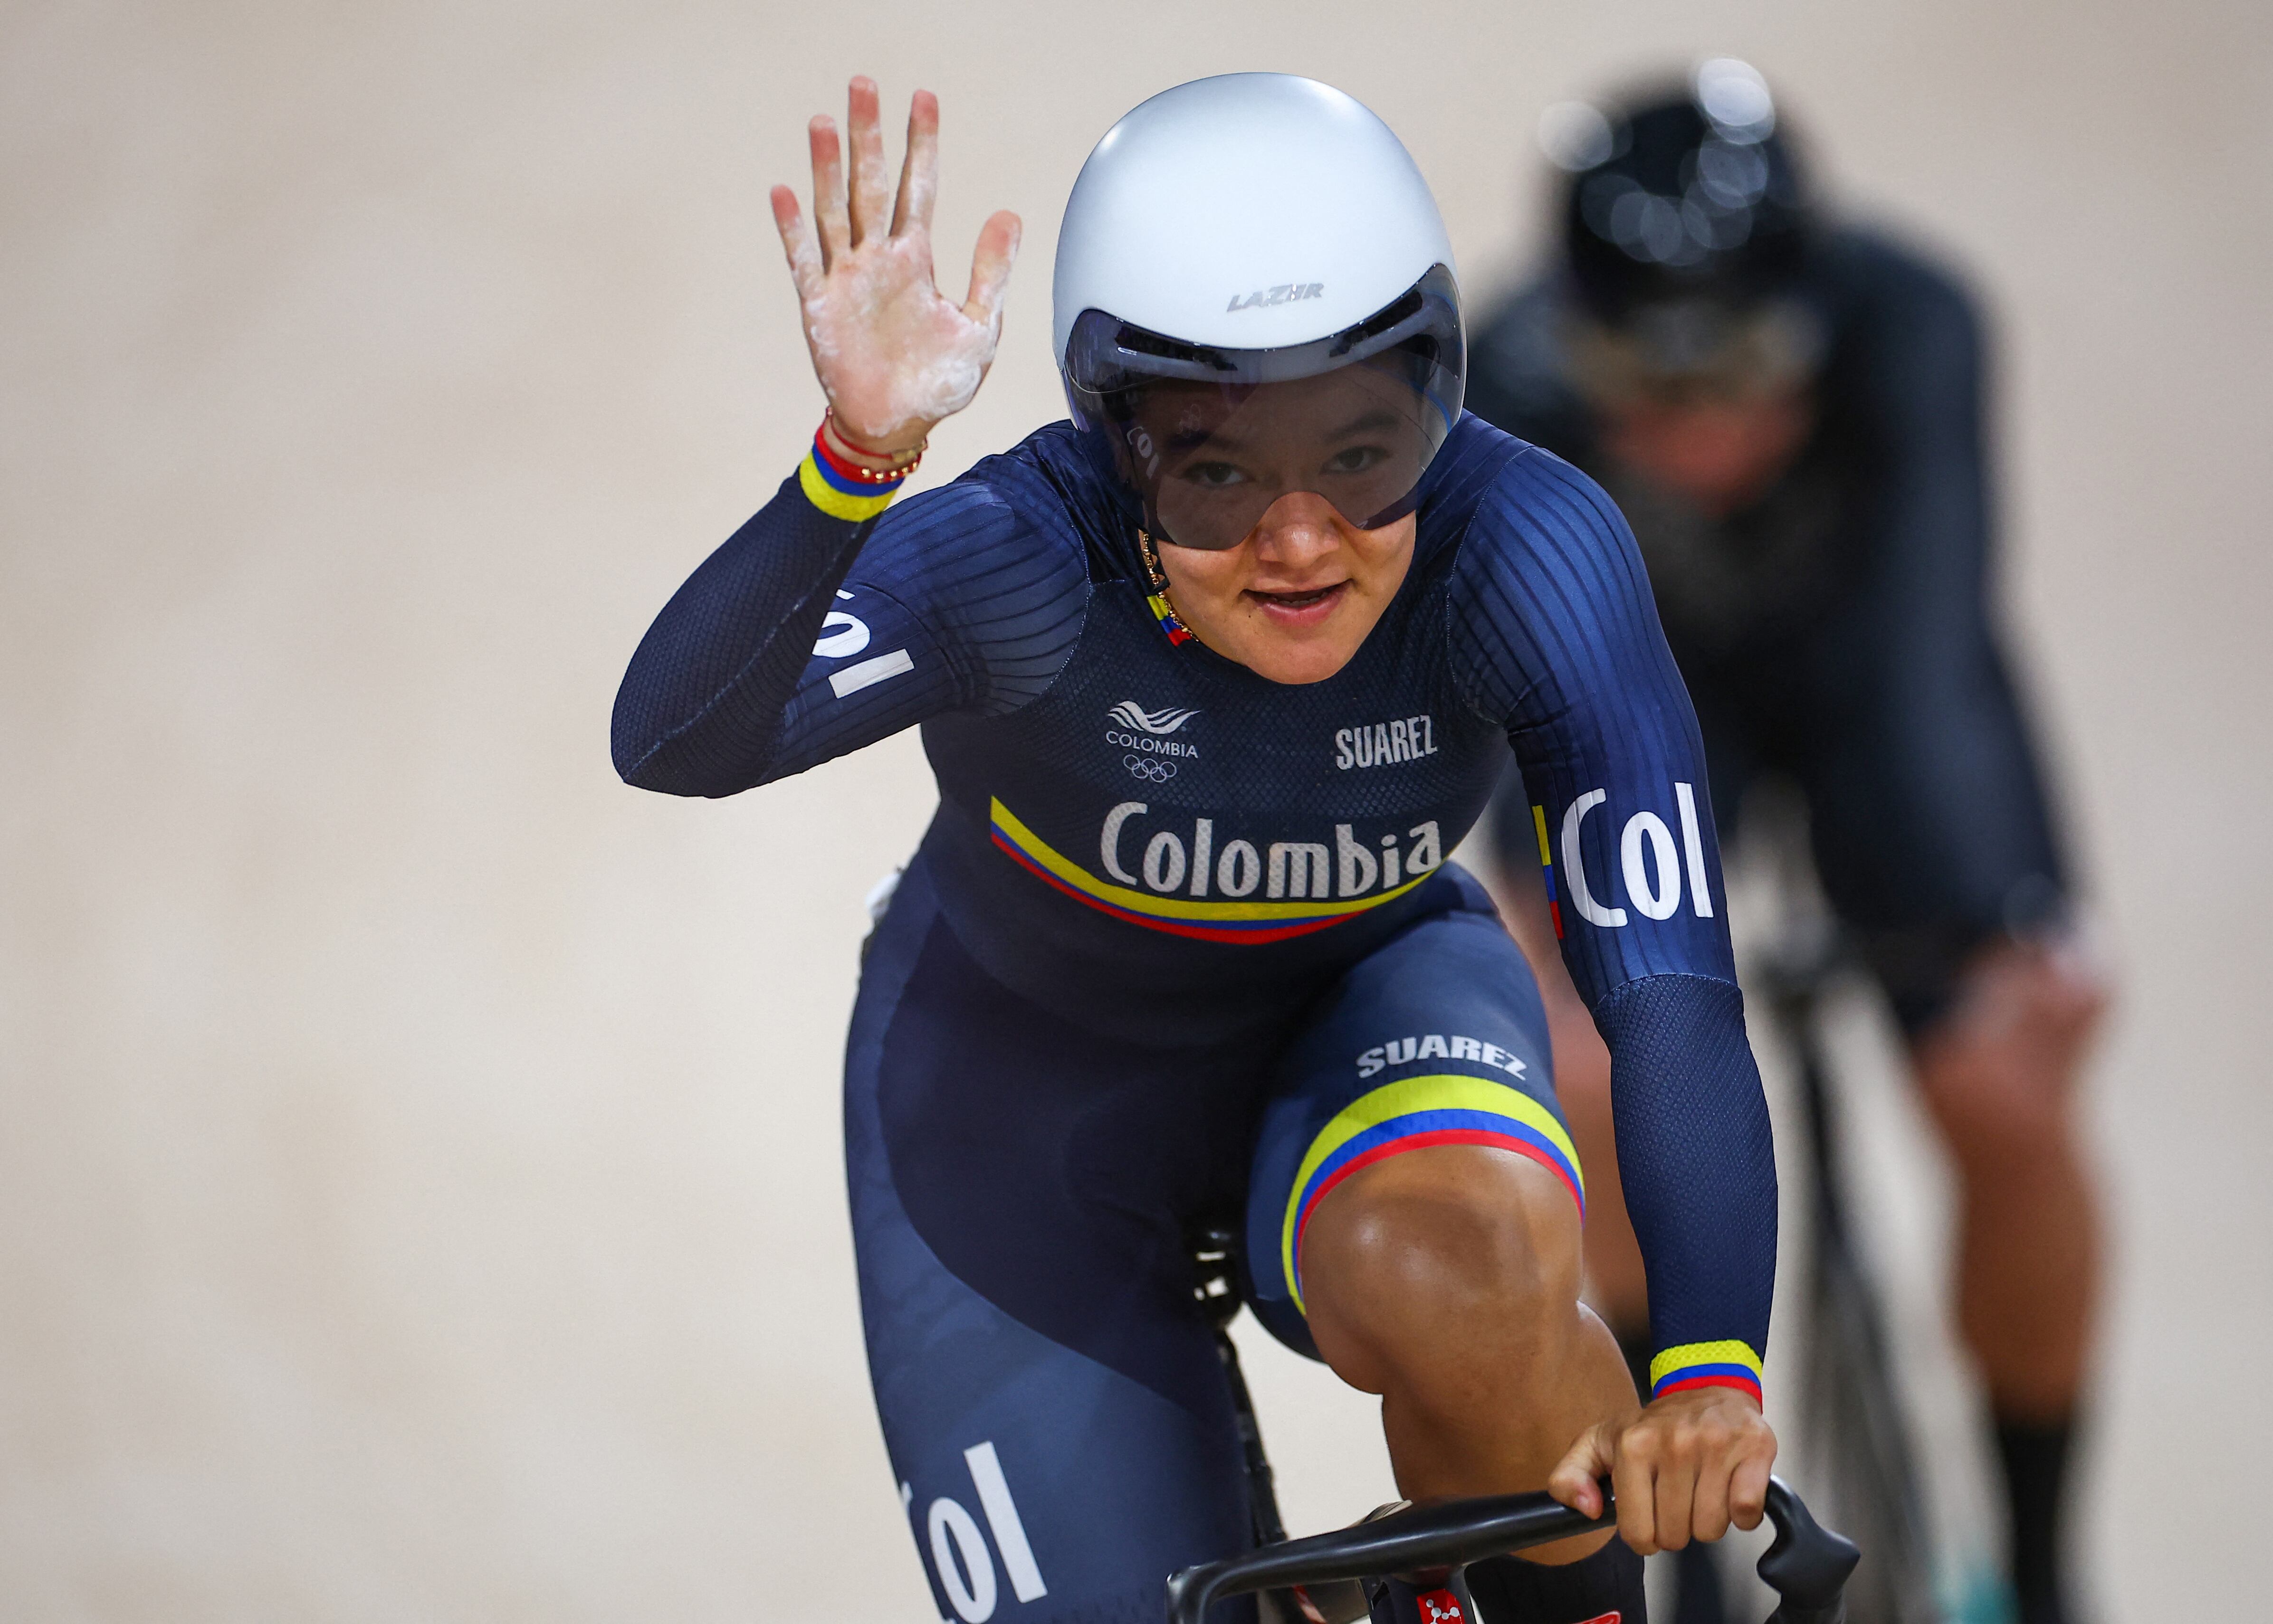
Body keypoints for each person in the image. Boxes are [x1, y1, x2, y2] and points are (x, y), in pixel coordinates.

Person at [613, 73, 1785, 1624]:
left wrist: (1707, 1366)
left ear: (1441, 395)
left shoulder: (1530, 554)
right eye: (1217, 471)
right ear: (1114, 446)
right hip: (1012, 1110)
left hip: (1367, 1004)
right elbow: (675, 739)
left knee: (1484, 1284)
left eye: (1363, 453)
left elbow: (1673, 995)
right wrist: (854, 461)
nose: (1301, 543)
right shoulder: (1023, 561)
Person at [1464, 60, 2108, 1624]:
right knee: (1591, 1072)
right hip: (1640, 687)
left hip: (1866, 684)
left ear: (1816, 321)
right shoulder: (1501, 376)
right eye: (1648, 378)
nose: (1702, 433)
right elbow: (1509, 695)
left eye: (1744, 366)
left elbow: (1923, 657)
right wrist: (1558, 957)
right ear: (1575, 339)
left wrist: (1991, 929)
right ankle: (1675, 1509)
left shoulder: (1917, 321)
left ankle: (2036, 1565)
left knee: (2002, 1076)